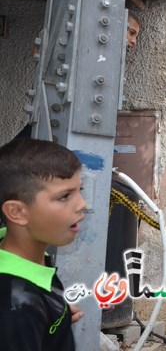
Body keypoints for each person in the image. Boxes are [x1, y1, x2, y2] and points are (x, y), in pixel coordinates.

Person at [0, 138, 86, 350]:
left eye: (79, 190)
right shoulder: (17, 307)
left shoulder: (25, 257)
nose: (82, 205)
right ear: (17, 212)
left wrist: (54, 313)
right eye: (64, 197)